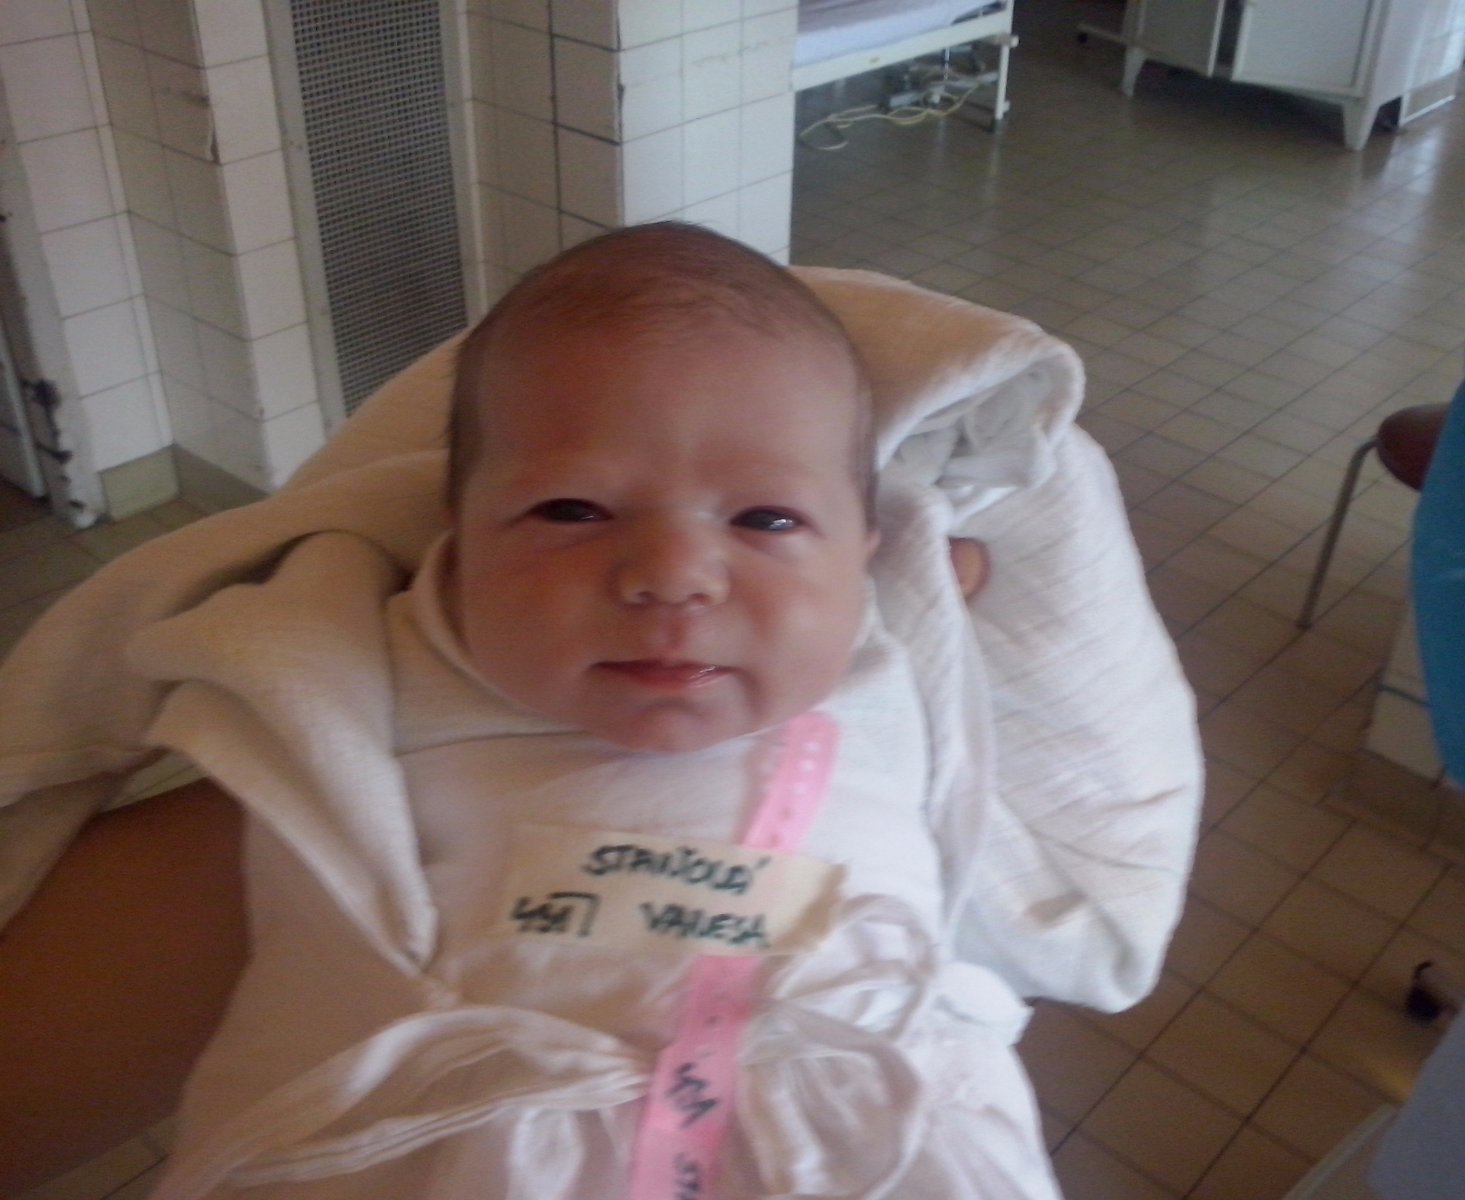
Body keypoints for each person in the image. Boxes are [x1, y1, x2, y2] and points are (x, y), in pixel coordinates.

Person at [0, 223, 1199, 1199]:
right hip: (483, 1135)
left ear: (865, 555)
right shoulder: (369, 653)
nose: (671, 576)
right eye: (571, 510)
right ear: (455, 540)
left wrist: (935, 577)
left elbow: (947, 604)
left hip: (869, 1127)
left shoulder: (881, 640)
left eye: (765, 519)